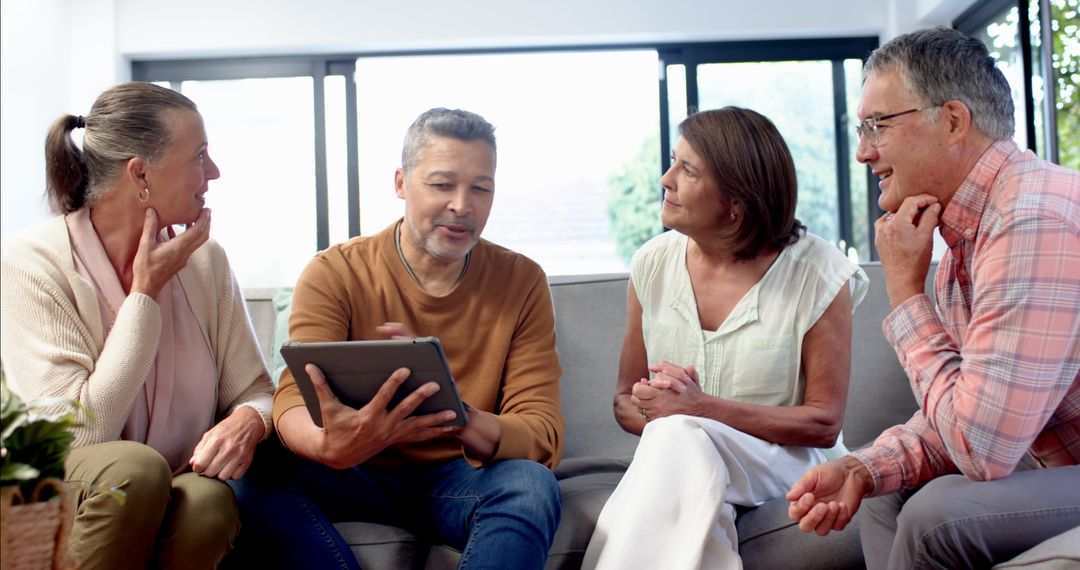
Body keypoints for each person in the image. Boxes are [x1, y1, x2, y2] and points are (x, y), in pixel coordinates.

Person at [786, 26, 1080, 568]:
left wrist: (904, 293)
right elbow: (965, 410)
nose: (862, 152)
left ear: (951, 121)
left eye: (877, 125)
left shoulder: (1031, 218)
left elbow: (980, 449)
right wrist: (862, 469)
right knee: (879, 495)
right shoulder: (962, 235)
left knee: (936, 515)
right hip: (1056, 471)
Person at [228, 107, 563, 569]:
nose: (463, 205)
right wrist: (328, 444)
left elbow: (542, 433)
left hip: (459, 477)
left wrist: (456, 414)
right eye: (443, 185)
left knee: (530, 485)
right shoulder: (336, 272)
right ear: (402, 183)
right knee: (245, 467)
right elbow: (292, 399)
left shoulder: (521, 281)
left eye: (480, 188)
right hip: (348, 470)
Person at [0, 82, 275, 569]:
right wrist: (144, 294)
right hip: (64, 485)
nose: (213, 172)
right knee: (135, 468)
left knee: (208, 503)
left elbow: (255, 389)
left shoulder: (205, 261)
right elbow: (77, 436)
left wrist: (248, 421)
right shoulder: (31, 263)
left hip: (171, 483)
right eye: (200, 156)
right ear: (140, 173)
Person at [581, 107, 868, 569]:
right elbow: (623, 399)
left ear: (736, 200)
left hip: (787, 460)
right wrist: (660, 411)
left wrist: (696, 411)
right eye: (673, 161)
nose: (664, 179)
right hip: (682, 456)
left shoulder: (820, 272)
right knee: (683, 451)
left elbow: (823, 423)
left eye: (686, 169)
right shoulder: (652, 264)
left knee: (678, 434)